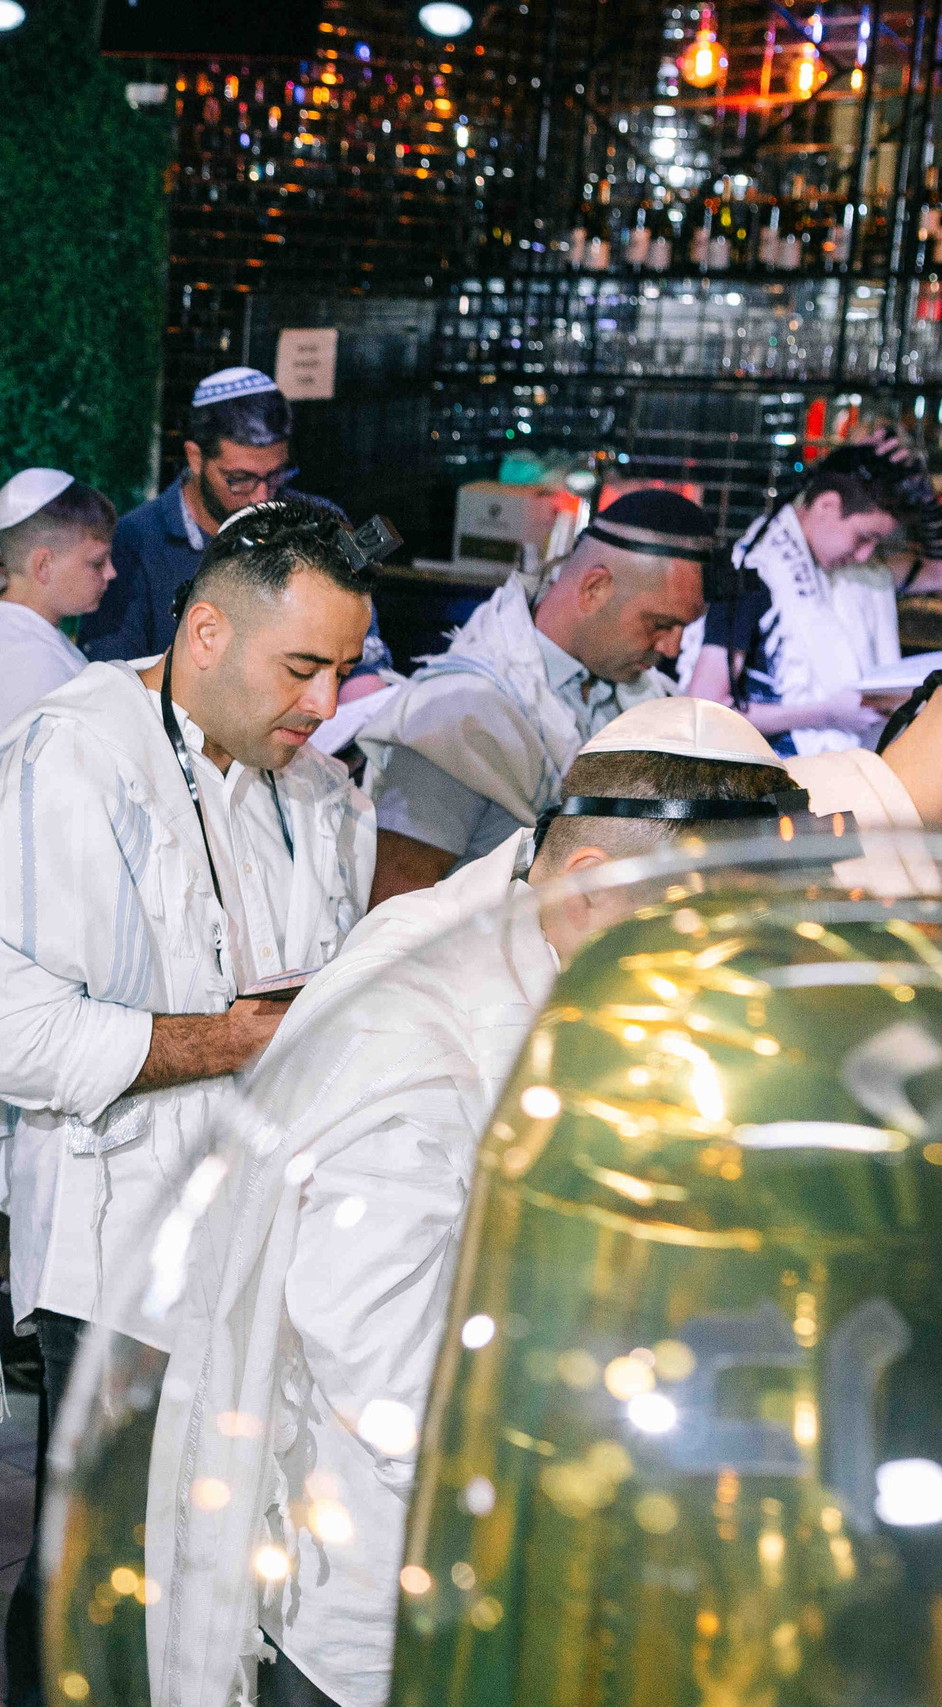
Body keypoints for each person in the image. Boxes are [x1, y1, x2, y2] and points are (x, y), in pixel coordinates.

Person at [143, 698, 801, 1707]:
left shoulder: (535, 927)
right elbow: (388, 1370)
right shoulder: (418, 1039)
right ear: (592, 883)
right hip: (400, 1596)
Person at [0, 501, 383, 1707]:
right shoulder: (67, 757)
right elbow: (16, 1041)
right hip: (118, 1236)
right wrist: (240, 1037)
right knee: (102, 1572)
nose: (325, 704)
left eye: (344, 669)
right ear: (204, 636)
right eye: (302, 668)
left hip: (269, 1226)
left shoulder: (323, 788)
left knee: (223, 1547)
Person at [358, 489, 715, 903]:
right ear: (594, 588)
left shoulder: (641, 697)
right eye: (660, 624)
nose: (671, 648)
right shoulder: (462, 712)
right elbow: (392, 907)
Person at [91, 368, 389, 679]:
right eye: (239, 480)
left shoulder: (324, 519)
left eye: (275, 475)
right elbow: (115, 682)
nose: (261, 498)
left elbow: (364, 659)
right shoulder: (133, 541)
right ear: (195, 458)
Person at [683, 443, 926, 756]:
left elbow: (936, 571)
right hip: (770, 784)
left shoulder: (845, 577)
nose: (865, 555)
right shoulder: (750, 570)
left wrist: (918, 485)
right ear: (826, 505)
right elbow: (704, 707)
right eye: (864, 537)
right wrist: (825, 714)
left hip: (827, 779)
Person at [0, 469, 116, 805]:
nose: (111, 573)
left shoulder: (27, 635)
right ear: (43, 566)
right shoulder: (22, 659)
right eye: (97, 562)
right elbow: (70, 794)